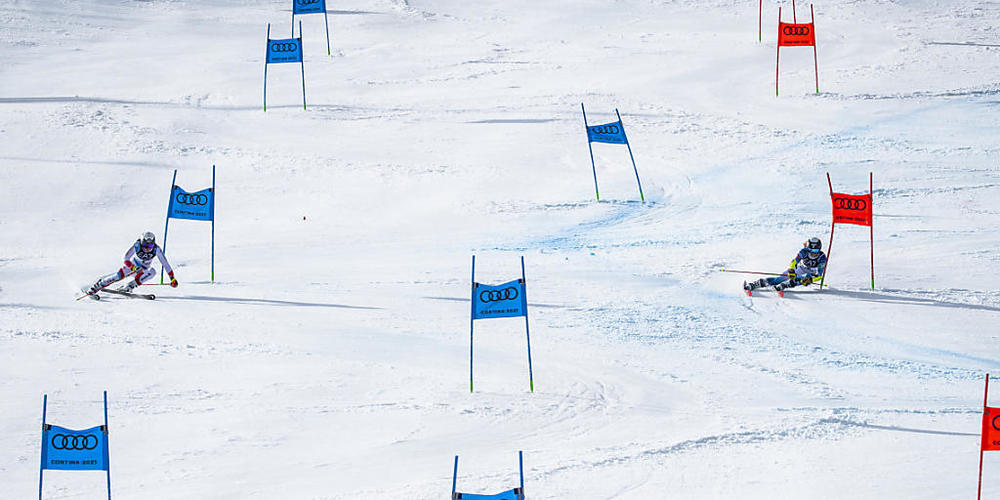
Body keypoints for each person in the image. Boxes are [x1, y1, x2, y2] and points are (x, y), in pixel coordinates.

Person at [86, 232, 177, 295]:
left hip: (143, 270)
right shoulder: (137, 246)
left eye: (150, 246)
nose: (148, 248)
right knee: (118, 276)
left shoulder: (156, 249)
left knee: (152, 272)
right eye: (146, 246)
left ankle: (130, 286)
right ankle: (98, 285)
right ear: (142, 243)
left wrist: (172, 278)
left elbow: (165, 264)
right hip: (132, 266)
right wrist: (132, 267)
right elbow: (125, 258)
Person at [744, 237, 827, 293]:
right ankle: (757, 284)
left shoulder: (822, 257)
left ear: (819, 249)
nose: (813, 253)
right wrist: (791, 270)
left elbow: (819, 275)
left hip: (812, 272)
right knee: (780, 279)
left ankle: (787, 284)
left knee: (804, 278)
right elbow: (795, 261)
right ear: (807, 249)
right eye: (810, 250)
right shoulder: (803, 251)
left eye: (816, 251)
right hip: (801, 268)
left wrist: (811, 280)